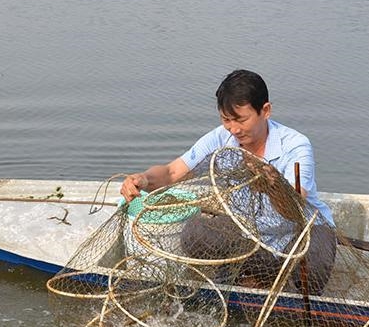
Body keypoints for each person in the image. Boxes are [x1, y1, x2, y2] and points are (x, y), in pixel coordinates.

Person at [120, 69, 336, 294]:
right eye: (226, 120)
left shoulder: (296, 145)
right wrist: (143, 179)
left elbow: (294, 207)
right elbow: (172, 172)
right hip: (250, 234)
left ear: (265, 111)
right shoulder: (220, 139)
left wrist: (272, 186)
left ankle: (269, 278)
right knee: (196, 234)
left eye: (241, 119)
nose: (234, 129)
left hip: (299, 231)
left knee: (314, 264)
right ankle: (257, 274)